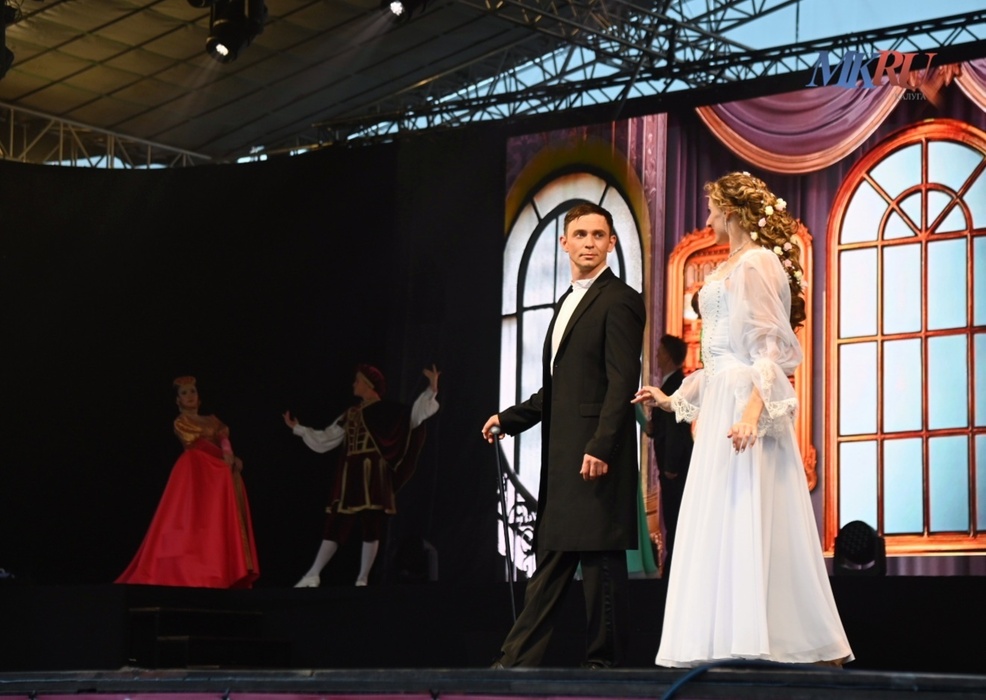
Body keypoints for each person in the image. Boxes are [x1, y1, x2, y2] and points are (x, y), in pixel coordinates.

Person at [633, 171, 852, 668]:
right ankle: (727, 638)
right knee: (722, 521)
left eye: (712, 208)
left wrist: (752, 413)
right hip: (722, 405)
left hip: (743, 409)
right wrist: (672, 399)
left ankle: (772, 641)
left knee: (750, 513)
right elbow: (718, 361)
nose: (708, 217)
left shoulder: (755, 262)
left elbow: (768, 350)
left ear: (731, 210)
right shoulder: (732, 264)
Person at [481, 202, 646, 669]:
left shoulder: (620, 299)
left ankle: (606, 667)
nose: (589, 243)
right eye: (580, 234)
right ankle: (515, 663)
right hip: (563, 459)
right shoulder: (566, 301)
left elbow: (621, 382)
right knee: (552, 561)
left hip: (595, 456)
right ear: (564, 242)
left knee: (600, 563)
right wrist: (509, 419)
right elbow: (560, 388)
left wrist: (602, 445)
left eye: (598, 235)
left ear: (611, 243)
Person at [284, 363, 440, 587]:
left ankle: (362, 577)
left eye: (357, 380)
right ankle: (313, 574)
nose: (353, 384)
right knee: (336, 522)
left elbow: (413, 418)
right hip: (350, 473)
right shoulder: (351, 413)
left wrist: (431, 390)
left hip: (372, 472)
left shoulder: (387, 411)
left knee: (371, 523)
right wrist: (298, 429)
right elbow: (328, 437)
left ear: (368, 384)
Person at [117, 376, 260, 588]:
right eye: (184, 393)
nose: (189, 395)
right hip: (196, 471)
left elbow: (222, 435)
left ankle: (221, 569)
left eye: (192, 391)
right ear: (178, 400)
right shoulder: (182, 421)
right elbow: (199, 444)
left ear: (199, 397)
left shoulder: (212, 419)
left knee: (215, 518)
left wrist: (228, 451)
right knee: (191, 518)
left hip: (217, 473)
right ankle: (191, 571)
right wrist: (224, 455)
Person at [642, 334, 693, 576]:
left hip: (675, 468)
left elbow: (676, 428)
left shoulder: (676, 386)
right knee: (672, 518)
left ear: (669, 356)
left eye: (660, 352)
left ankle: (673, 573)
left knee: (675, 518)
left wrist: (671, 466)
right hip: (672, 466)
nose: (656, 355)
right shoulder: (669, 383)